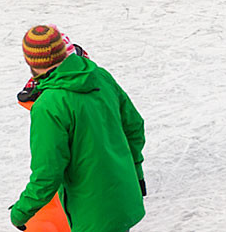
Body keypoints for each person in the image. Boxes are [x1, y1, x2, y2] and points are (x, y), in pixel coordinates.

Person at [8, 26, 146, 232]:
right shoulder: (100, 76)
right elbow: (134, 128)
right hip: (123, 197)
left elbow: (48, 173)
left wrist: (20, 213)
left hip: (90, 212)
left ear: (30, 61)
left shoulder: (48, 105)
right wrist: (137, 175)